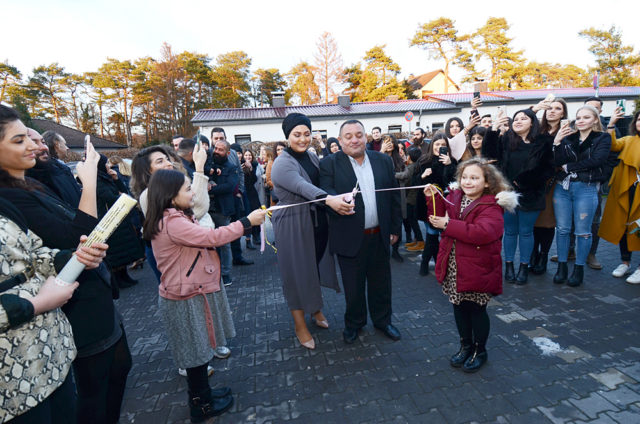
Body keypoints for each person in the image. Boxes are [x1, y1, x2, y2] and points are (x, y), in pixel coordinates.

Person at [0, 105, 131, 423]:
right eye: (20, 141)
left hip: (56, 333)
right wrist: (87, 183)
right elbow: (77, 233)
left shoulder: (30, 184)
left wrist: (70, 257)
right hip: (29, 354)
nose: (35, 145)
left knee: (113, 373)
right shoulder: (11, 197)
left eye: (34, 138)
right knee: (94, 393)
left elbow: (40, 253)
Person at [143, 169, 266, 422]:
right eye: (187, 189)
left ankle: (204, 395)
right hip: (183, 297)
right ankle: (201, 406)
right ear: (170, 195)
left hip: (188, 292)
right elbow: (212, 237)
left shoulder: (173, 216)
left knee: (197, 349)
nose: (193, 193)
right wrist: (247, 222)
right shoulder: (172, 222)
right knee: (194, 352)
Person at [0, 198, 108, 424]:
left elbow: (33, 253)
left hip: (51, 354)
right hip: (11, 385)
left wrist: (73, 259)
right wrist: (38, 303)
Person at [132, 144, 233, 366]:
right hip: (179, 258)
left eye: (167, 158)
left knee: (205, 303)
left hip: (200, 252)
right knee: (186, 311)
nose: (168, 163)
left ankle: (209, 345)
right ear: (146, 171)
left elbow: (196, 205)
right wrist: (199, 168)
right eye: (159, 162)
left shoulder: (176, 186)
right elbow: (198, 208)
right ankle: (192, 362)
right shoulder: (151, 196)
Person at [425, 158, 517, 373]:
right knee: (458, 307)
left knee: (476, 310)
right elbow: (438, 218)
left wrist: (449, 225)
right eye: (465, 177)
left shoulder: (492, 205)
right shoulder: (455, 195)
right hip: (455, 265)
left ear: (487, 182)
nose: (467, 182)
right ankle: (465, 345)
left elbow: (483, 233)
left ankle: (480, 350)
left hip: (478, 268)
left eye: (474, 178)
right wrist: (432, 199)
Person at [319, 119, 402, 344]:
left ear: (366, 137)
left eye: (359, 135)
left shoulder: (383, 161)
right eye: (349, 136)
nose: (354, 139)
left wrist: (395, 228)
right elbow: (325, 190)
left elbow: (394, 196)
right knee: (353, 288)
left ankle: (383, 321)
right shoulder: (329, 164)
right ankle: (354, 324)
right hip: (349, 237)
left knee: (381, 284)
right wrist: (335, 200)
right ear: (340, 139)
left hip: (380, 235)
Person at [271, 113, 348, 349]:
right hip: (293, 225)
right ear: (287, 136)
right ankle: (299, 325)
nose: (303, 139)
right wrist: (329, 200)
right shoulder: (282, 163)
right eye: (297, 134)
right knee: (295, 274)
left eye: (306, 134)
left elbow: (323, 179)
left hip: (316, 222)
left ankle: (315, 309)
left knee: (312, 268)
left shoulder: (312, 157)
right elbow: (302, 187)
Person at [483, 109, 554, 285]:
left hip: (531, 193)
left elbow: (547, 169)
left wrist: (523, 181)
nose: (519, 121)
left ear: (532, 122)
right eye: (516, 118)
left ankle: (524, 267)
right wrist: (493, 130)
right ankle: (508, 266)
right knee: (510, 232)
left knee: (526, 232)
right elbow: (490, 155)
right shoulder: (507, 139)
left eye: (524, 118)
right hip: (508, 194)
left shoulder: (543, 141)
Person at [552, 105, 612, 287]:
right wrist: (556, 142)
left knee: (583, 231)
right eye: (578, 118)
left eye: (586, 117)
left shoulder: (602, 138)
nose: (581, 121)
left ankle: (578, 269)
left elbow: (598, 160)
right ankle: (561, 267)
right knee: (562, 229)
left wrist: (570, 167)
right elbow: (556, 161)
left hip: (586, 187)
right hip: (562, 187)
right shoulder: (568, 138)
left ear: (595, 120)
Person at [599, 109, 640, 283]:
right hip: (626, 189)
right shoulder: (630, 140)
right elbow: (612, 145)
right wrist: (611, 124)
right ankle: (625, 262)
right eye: (639, 119)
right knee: (625, 225)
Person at [530, 98, 569, 275]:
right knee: (532, 220)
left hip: (554, 182)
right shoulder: (537, 131)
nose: (552, 111)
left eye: (557, 108)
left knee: (547, 221)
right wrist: (536, 108)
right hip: (534, 180)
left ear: (563, 112)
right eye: (550, 108)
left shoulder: (568, 132)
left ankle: (543, 256)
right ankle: (533, 253)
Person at [96, 154, 144, 289]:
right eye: (106, 163)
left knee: (124, 250)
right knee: (116, 252)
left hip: (120, 218)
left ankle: (125, 276)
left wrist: (116, 180)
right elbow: (110, 197)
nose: (108, 166)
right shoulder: (97, 181)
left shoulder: (107, 177)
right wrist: (119, 195)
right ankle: (118, 279)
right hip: (109, 218)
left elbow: (123, 191)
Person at [415, 131, 457, 275]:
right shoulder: (424, 161)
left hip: (445, 205)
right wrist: (422, 176)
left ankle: (432, 263)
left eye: (443, 145)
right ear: (432, 145)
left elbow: (453, 185)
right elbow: (415, 185)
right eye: (437, 144)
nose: (439, 147)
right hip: (427, 205)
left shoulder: (452, 161)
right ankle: (428, 264)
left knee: (438, 236)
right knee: (432, 233)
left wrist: (449, 166)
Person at [26, 129, 82, 208]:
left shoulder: (60, 171)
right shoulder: (25, 188)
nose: (44, 147)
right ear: (57, 144)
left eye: (43, 142)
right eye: (33, 142)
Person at [380, 135, 406, 263]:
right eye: (386, 142)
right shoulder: (378, 157)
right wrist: (382, 151)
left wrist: (392, 176)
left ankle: (395, 250)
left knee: (397, 221)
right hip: (383, 195)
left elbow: (405, 175)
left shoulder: (398, 158)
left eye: (391, 142)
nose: (389, 144)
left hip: (397, 194)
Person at [242, 149, 261, 248]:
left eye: (249, 155)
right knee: (248, 215)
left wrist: (251, 169)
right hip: (245, 193)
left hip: (253, 192)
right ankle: (248, 240)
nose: (248, 157)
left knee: (257, 212)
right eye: (246, 155)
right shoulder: (240, 166)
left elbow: (254, 180)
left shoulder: (254, 165)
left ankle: (257, 236)